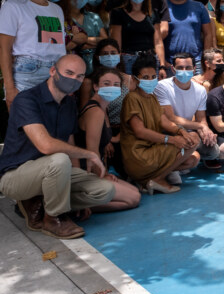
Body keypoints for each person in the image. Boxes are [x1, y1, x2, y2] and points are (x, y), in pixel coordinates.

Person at [0, 55, 115, 238]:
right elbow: (46, 146)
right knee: (59, 159)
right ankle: (54, 218)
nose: (74, 79)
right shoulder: (27, 99)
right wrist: (89, 154)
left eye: (79, 76)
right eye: (69, 73)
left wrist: (79, 176)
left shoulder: (69, 104)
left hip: (55, 171)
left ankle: (41, 204)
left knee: (105, 190)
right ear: (53, 71)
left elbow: (69, 143)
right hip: (16, 174)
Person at [120, 54, 201, 193]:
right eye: (145, 77)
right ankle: (157, 179)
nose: (150, 80)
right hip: (139, 155)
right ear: (134, 79)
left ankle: (146, 180)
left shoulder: (151, 98)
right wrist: (172, 140)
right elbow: (140, 131)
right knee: (192, 142)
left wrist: (181, 132)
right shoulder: (132, 98)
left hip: (152, 149)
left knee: (192, 157)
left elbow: (164, 122)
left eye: (153, 77)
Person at [0, 0, 67, 105]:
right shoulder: (13, 7)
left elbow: (59, 46)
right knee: (26, 119)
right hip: (27, 74)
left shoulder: (57, 9)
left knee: (53, 118)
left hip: (56, 73)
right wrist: (9, 88)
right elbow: (4, 49)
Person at [76, 66, 141, 211]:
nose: (111, 87)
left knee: (135, 191)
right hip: (85, 172)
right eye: (106, 84)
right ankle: (78, 205)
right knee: (133, 199)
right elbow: (92, 152)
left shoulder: (102, 108)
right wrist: (103, 175)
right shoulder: (95, 112)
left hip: (94, 170)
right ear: (96, 86)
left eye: (116, 84)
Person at [154, 53, 221, 171]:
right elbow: (171, 118)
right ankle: (168, 168)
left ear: (194, 69)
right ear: (173, 69)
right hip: (167, 132)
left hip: (188, 131)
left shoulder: (200, 90)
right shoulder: (161, 86)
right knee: (193, 157)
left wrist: (207, 132)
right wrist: (200, 126)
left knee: (213, 151)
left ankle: (177, 160)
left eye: (188, 67)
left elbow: (201, 119)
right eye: (180, 68)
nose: (184, 71)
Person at [109, 0, 168, 74]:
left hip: (150, 60)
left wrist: (162, 66)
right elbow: (116, 43)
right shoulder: (118, 13)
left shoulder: (153, 14)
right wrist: (117, 64)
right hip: (128, 60)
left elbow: (158, 42)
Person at [79, 39, 134, 135]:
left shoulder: (129, 80)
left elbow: (133, 112)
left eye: (113, 53)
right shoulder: (88, 82)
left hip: (125, 130)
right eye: (105, 54)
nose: (109, 57)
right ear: (97, 57)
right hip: (97, 130)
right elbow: (85, 113)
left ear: (119, 54)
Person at [164, 0, 213, 69]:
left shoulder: (199, 7)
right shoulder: (163, 7)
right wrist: (163, 61)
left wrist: (205, 58)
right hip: (170, 62)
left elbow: (208, 34)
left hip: (196, 61)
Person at [70, 0, 108, 73]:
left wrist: (82, 39)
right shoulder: (62, 17)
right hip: (72, 68)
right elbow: (66, 44)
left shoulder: (93, 17)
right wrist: (93, 41)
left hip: (94, 68)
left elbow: (105, 40)